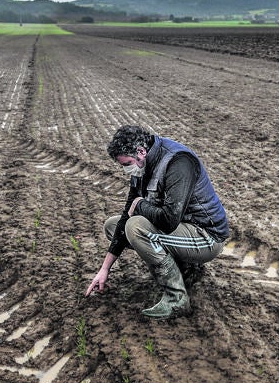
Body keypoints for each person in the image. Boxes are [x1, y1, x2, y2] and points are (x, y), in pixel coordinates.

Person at [85, 125, 230, 319]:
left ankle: (176, 299)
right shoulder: (142, 167)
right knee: (114, 226)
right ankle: (185, 269)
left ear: (141, 152)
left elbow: (169, 220)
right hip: (183, 230)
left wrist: (140, 205)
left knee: (136, 227)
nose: (127, 169)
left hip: (206, 236)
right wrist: (104, 269)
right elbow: (128, 212)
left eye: (127, 163)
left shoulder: (178, 163)